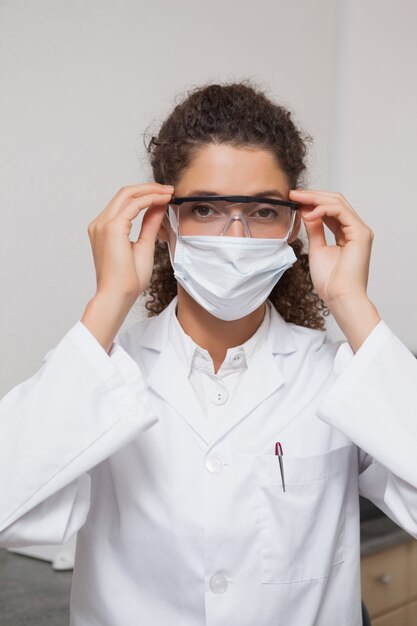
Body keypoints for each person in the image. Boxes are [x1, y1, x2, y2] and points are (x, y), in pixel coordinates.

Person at [0, 80, 416, 626]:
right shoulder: (105, 374)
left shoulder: (334, 373)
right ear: (164, 224)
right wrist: (109, 299)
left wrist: (351, 302)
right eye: (204, 209)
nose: (237, 236)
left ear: (296, 226)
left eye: (264, 211)